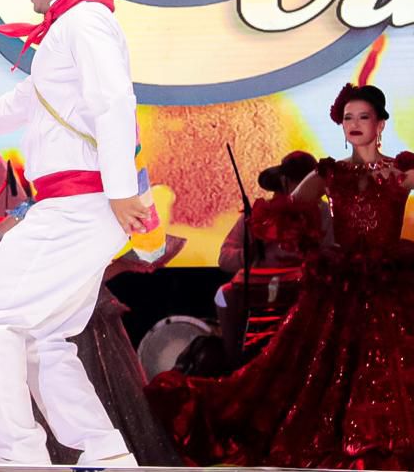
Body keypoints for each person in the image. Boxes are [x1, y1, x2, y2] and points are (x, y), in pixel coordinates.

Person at [0, 0, 151, 467]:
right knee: (44, 337)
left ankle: (20, 453)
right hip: (78, 206)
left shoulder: (85, 22)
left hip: (80, 205)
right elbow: (23, 103)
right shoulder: (73, 26)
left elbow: (114, 101)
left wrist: (120, 191)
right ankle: (104, 453)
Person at [148, 83, 414, 470]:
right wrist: (310, 247)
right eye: (348, 118)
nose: (355, 124)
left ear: (381, 124)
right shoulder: (329, 173)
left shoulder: (402, 172)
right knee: (320, 370)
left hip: (390, 284)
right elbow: (285, 212)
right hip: (340, 285)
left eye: (364, 117)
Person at [214, 150, 324, 364]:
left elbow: (334, 252)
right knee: (223, 295)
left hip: (305, 291)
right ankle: (234, 361)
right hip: (259, 291)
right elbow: (224, 258)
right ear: (283, 181)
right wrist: (251, 251)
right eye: (297, 181)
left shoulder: (324, 214)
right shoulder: (259, 215)